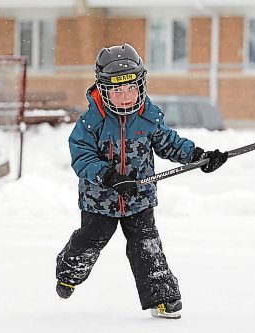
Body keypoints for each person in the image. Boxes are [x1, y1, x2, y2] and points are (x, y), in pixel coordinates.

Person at [55, 43, 228, 319]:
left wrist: (198, 156)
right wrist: (108, 176)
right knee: (91, 240)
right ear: (103, 88)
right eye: (117, 90)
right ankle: (68, 271)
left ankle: (163, 297)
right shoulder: (91, 121)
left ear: (141, 84)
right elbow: (82, 156)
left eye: (131, 88)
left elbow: (169, 143)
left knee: (147, 244)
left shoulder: (147, 116)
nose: (125, 96)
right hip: (100, 200)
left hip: (139, 198)